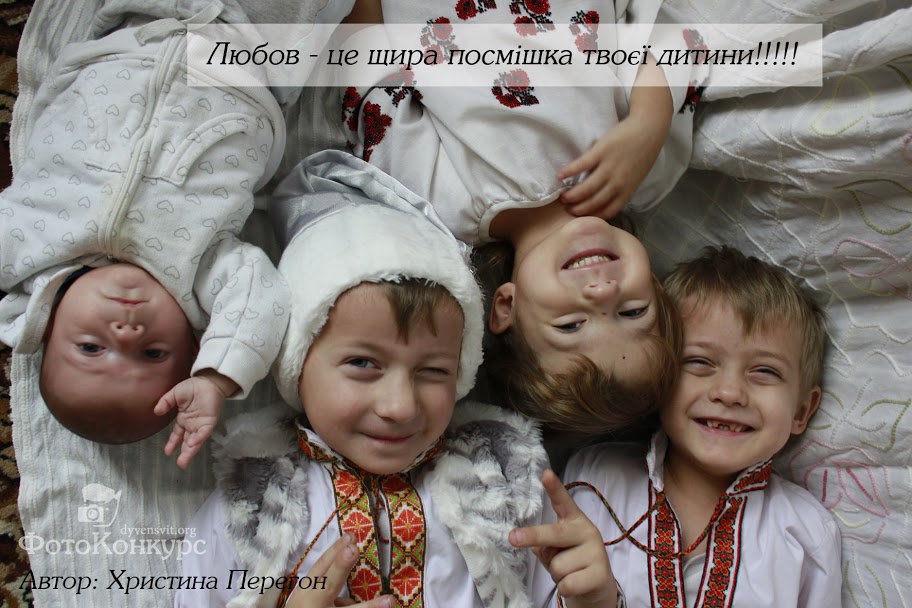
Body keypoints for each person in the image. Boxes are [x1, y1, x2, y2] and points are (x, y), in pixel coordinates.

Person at [175, 153, 616, 608]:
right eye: (363, 364)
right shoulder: (250, 504)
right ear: (296, 364)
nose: (400, 406)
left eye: (433, 371)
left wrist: (595, 600)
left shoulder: (504, 480)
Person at [338, 0, 702, 439]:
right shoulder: (645, 171)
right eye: (632, 310)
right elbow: (672, 41)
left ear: (506, 306)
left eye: (571, 325)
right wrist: (649, 121)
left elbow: (370, 79)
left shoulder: (443, 207)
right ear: (655, 286)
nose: (603, 291)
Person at [0, 0, 290, 466]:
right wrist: (216, 379)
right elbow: (260, 303)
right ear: (193, 345)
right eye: (153, 353)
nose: (125, 331)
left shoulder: (27, 248)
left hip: (131, 31)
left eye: (91, 347)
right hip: (252, 56)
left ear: (48, 329)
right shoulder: (200, 274)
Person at [557, 246, 843, 606]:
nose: (730, 392)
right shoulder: (594, 480)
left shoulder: (807, 532)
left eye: (765, 371)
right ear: (658, 377)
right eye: (700, 362)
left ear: (802, 410)